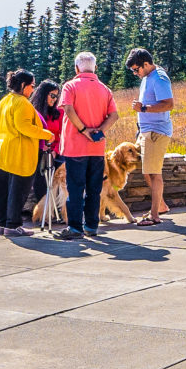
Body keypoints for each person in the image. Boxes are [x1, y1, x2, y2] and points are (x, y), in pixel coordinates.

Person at [55, 51, 116, 240]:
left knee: (75, 188)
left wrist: (83, 130)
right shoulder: (105, 89)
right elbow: (114, 115)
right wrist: (99, 131)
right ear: (95, 68)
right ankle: (91, 226)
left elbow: (68, 108)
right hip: (97, 148)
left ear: (76, 68)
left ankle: (75, 228)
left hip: (75, 147)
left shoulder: (70, 86)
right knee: (93, 189)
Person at [0, 70, 52, 236]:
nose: (33, 89)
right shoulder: (22, 103)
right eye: (32, 85)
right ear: (23, 85)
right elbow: (24, 127)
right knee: (18, 191)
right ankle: (13, 225)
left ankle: (2, 224)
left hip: (0, 152)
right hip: (18, 154)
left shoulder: (4, 101)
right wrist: (48, 135)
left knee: (3, 191)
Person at [128, 48, 175, 225]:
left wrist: (144, 109)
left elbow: (169, 104)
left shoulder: (160, 78)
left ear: (146, 64)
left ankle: (155, 215)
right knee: (147, 170)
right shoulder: (148, 77)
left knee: (154, 173)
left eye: (136, 69)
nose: (135, 73)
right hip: (147, 131)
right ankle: (160, 205)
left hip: (156, 132)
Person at [27, 79, 64, 221]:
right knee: (40, 182)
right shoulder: (33, 111)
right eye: (52, 96)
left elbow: (62, 135)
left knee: (58, 182)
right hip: (37, 152)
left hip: (55, 153)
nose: (55, 100)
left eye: (57, 96)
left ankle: (59, 211)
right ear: (43, 95)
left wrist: (54, 149)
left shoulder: (59, 113)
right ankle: (46, 214)